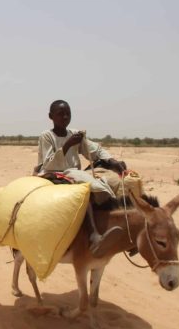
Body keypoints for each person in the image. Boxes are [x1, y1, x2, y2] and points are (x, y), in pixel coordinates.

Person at [36, 100, 127, 256]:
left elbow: (95, 150)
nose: (65, 117)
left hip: (74, 173)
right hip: (54, 172)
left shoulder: (75, 133)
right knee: (88, 187)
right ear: (51, 116)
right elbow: (49, 162)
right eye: (60, 114)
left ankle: (122, 227)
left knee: (115, 181)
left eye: (68, 113)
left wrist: (113, 161)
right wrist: (67, 145)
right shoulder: (47, 136)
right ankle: (93, 234)